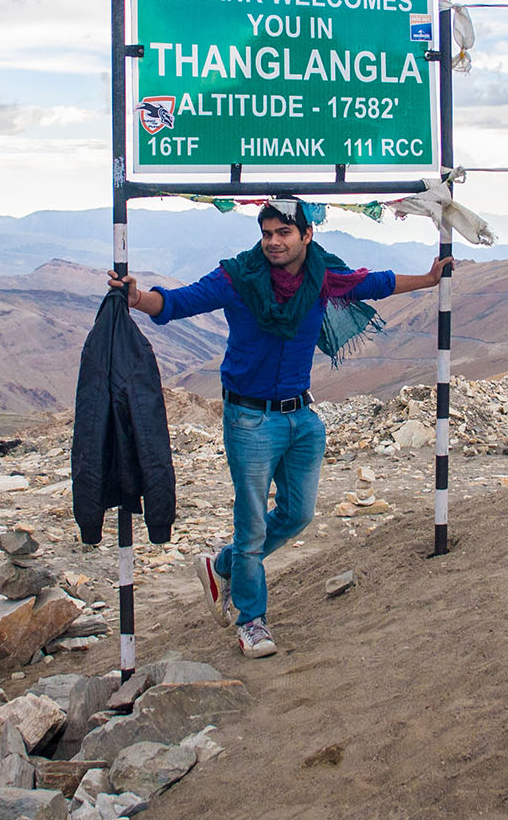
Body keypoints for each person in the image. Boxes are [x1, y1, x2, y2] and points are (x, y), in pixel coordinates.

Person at [109, 196, 452, 658]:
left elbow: (371, 283)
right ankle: (251, 621)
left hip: (302, 418)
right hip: (249, 418)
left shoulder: (322, 275)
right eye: (266, 233)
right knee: (250, 528)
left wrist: (429, 280)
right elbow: (179, 302)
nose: (272, 242)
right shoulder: (239, 277)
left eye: (283, 233)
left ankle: (222, 567)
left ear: (306, 236)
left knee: (297, 515)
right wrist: (137, 298)